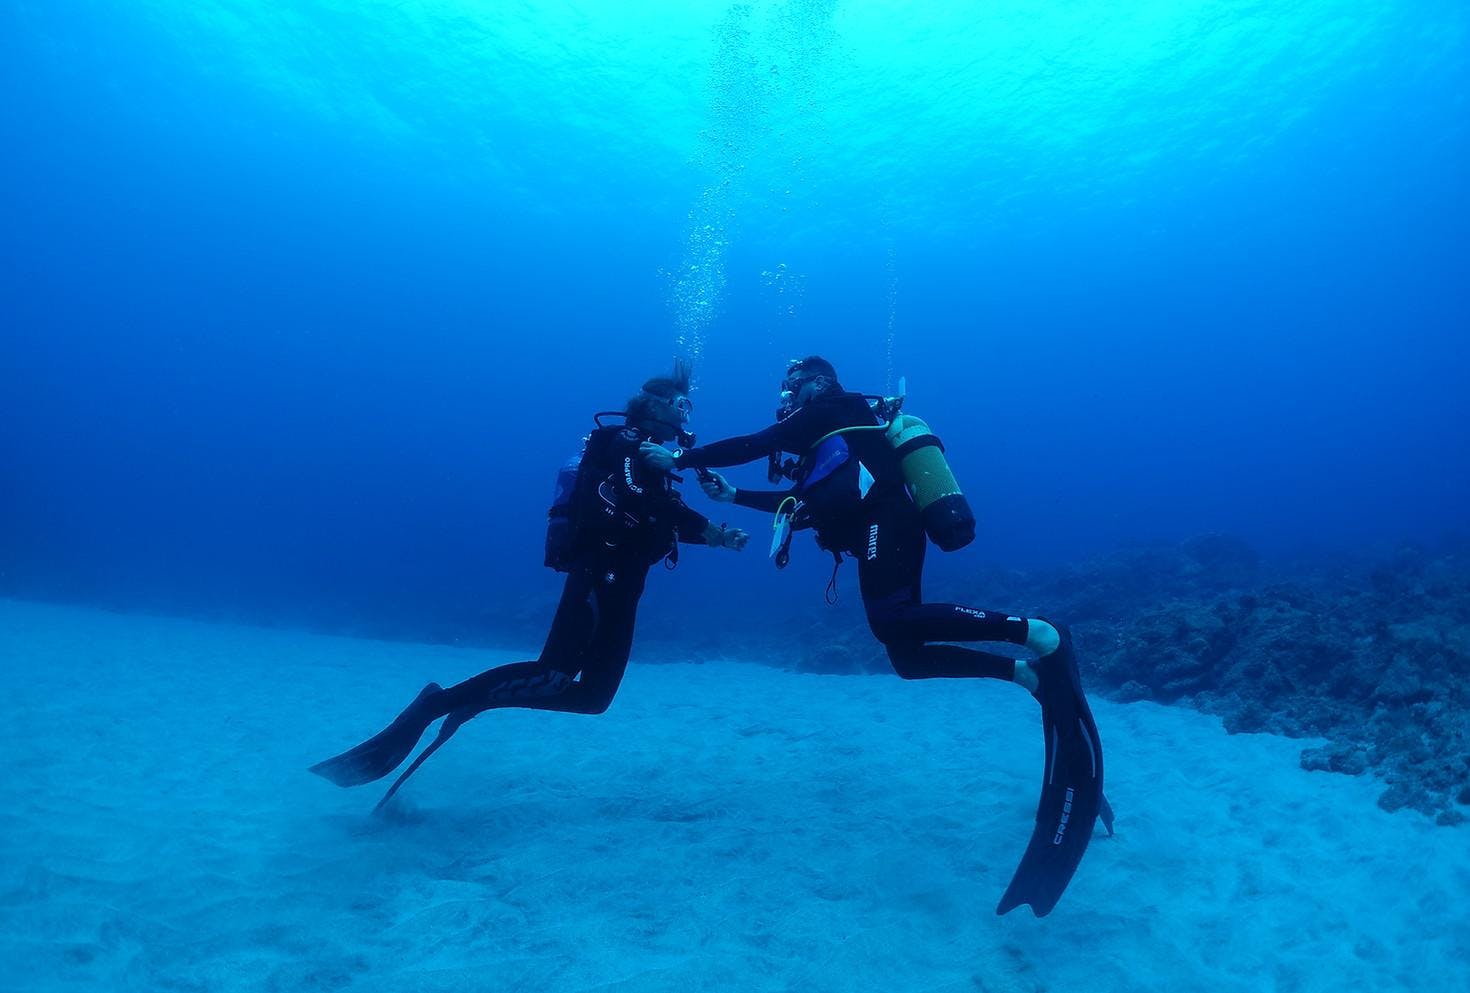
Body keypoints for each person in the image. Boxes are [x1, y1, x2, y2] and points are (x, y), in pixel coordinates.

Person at [640, 356, 1107, 917]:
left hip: (889, 518)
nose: (787, 398)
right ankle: (1025, 672)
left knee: (892, 620)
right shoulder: (827, 438)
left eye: (792, 386)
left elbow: (756, 442)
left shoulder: (835, 407)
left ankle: (1036, 632)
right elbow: (803, 505)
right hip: (877, 527)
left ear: (815, 382)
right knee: (906, 656)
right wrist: (731, 499)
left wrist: (681, 456)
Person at [310, 360, 749, 811]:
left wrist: (714, 535)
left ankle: (475, 700)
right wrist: (707, 525)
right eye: (682, 405)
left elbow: (655, 509)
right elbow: (641, 499)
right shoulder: (625, 443)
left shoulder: (650, 456)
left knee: (594, 698)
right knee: (551, 672)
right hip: (602, 573)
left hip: (627, 581)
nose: (686, 416)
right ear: (655, 406)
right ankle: (435, 706)